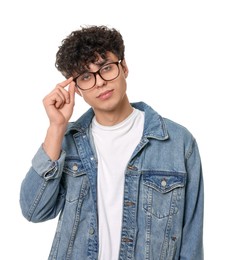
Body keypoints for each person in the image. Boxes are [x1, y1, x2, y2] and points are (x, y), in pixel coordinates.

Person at [20, 25, 204, 260]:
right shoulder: (67, 141)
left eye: (106, 68)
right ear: (76, 89)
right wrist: (56, 128)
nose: (99, 83)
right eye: (86, 76)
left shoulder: (178, 143)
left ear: (124, 67)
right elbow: (34, 211)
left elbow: (191, 241)